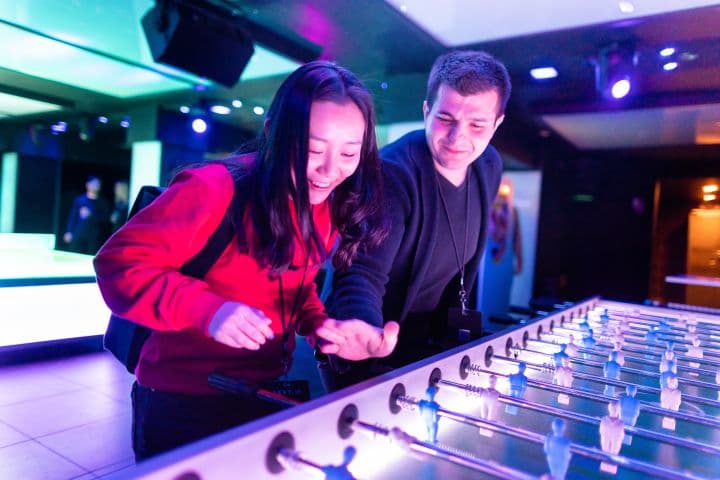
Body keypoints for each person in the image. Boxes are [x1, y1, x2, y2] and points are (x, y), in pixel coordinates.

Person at [94, 61, 398, 461]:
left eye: (348, 153)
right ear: (275, 133)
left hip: (261, 393)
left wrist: (321, 326)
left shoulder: (327, 204)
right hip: (181, 402)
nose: (329, 171)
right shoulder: (213, 188)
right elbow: (118, 265)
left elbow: (297, 284)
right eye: (313, 150)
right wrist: (207, 310)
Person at [320, 50, 510, 389]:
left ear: (497, 124)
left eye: (477, 125)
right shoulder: (390, 174)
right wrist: (362, 325)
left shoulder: (489, 165)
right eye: (446, 119)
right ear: (426, 111)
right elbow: (360, 270)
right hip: (373, 353)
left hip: (433, 347)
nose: (458, 138)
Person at [63, 175, 109, 254]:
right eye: (93, 184)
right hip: (78, 236)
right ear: (87, 185)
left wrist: (91, 215)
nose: (95, 186)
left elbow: (105, 219)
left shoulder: (102, 203)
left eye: (97, 184)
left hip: (94, 238)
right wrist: (68, 231)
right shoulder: (80, 200)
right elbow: (73, 217)